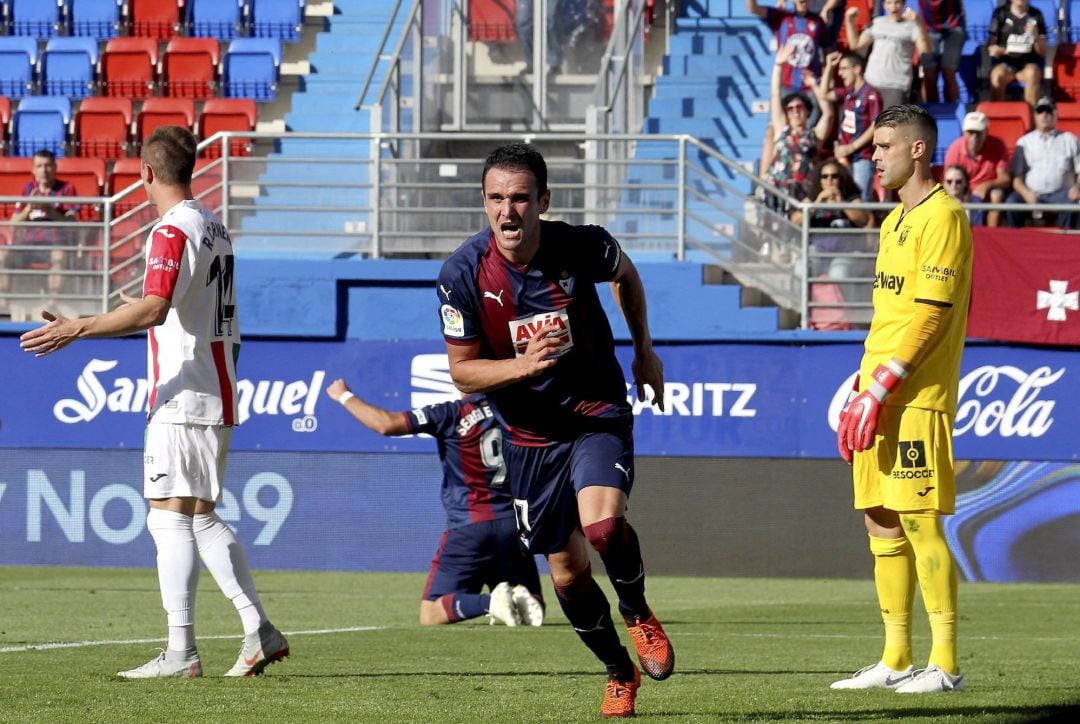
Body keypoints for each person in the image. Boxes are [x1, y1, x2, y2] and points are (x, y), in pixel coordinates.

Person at [19, 126, 288, 680]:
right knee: (200, 516)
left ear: (144, 174)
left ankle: (181, 651)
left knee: (167, 518)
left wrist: (79, 327)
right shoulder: (213, 225)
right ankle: (257, 629)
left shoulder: (169, 230)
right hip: (215, 386)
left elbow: (154, 311)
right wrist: (135, 310)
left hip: (183, 393)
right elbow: (177, 306)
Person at [436, 143, 673, 718]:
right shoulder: (462, 274)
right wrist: (524, 366)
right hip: (528, 437)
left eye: (519, 199)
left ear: (544, 200)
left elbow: (627, 275)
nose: (507, 212)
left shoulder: (579, 245)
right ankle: (619, 672)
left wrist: (644, 351)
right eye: (496, 199)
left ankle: (638, 612)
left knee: (603, 526)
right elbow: (463, 372)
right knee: (565, 572)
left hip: (594, 411)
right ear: (484, 202)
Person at [833, 104, 971, 694]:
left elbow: (930, 317)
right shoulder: (893, 222)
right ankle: (895, 658)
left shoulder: (946, 216)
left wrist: (884, 386)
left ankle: (946, 665)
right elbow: (888, 317)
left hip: (916, 396)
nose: (874, 155)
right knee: (881, 520)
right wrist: (862, 389)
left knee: (919, 518)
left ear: (917, 150)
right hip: (877, 392)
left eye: (884, 145)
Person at [324, 378, 545, 627]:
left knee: (431, 613)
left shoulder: (450, 414)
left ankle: (490, 603)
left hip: (470, 525)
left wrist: (344, 395)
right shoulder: (519, 411)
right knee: (533, 605)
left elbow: (386, 424)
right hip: (514, 526)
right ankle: (520, 596)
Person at [761, 44, 834, 213]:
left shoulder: (814, 135)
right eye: (791, 108)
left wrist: (813, 85)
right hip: (776, 189)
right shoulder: (781, 130)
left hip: (803, 192)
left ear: (807, 111)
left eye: (799, 107)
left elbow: (828, 113)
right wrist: (778, 66)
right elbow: (775, 95)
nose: (795, 111)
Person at [0, 150, 80, 299]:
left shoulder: (66, 189)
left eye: (48, 166)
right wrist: (29, 208)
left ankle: (53, 302)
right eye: (39, 166)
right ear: (33, 169)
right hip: (29, 244)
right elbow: (13, 223)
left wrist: (50, 211)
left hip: (56, 243)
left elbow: (72, 222)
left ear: (55, 167)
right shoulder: (28, 189)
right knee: (2, 256)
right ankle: (3, 302)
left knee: (59, 256)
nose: (44, 170)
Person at [748, 0, 831, 125]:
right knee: (774, 130)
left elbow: (826, 51)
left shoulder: (817, 21)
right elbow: (753, 8)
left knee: (809, 131)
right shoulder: (781, 17)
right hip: (786, 86)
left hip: (810, 88)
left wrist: (827, 78)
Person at [1007, 96, 1080, 229]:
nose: (1044, 115)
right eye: (1040, 111)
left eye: (1049, 111)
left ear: (1056, 115)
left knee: (1073, 205)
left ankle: (1068, 245)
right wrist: (1026, 193)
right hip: (1031, 192)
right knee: (1011, 202)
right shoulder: (1024, 142)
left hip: (1061, 193)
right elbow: (1017, 180)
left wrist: (1077, 187)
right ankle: (1014, 244)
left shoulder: (1071, 140)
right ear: (1034, 116)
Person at [845, 0, 932, 111]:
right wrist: (849, 21)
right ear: (884, 5)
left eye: (897, 3)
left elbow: (926, 50)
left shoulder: (912, 26)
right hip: (871, 83)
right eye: (889, 3)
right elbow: (856, 45)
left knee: (889, 125)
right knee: (866, 124)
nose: (893, 7)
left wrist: (919, 24)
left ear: (903, 4)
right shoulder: (877, 22)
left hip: (895, 85)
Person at [822, 50, 883, 200]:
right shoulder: (848, 92)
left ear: (857, 69)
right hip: (844, 157)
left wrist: (852, 147)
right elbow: (824, 93)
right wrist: (829, 66)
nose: (840, 74)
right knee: (844, 198)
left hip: (861, 156)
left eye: (844, 69)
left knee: (860, 201)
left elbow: (876, 125)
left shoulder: (871, 93)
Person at [942, 111, 1010, 227]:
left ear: (986, 132)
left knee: (996, 194)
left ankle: (990, 234)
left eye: (978, 132)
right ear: (964, 133)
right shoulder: (954, 150)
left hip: (989, 190)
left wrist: (986, 185)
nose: (974, 137)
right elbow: (948, 180)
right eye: (970, 132)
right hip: (962, 188)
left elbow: (1005, 179)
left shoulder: (998, 145)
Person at [988, 0, 1047, 107]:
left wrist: (1036, 36)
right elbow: (990, 46)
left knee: (1032, 73)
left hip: (1028, 63)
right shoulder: (1000, 13)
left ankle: (1030, 116)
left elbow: (1042, 52)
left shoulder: (1036, 15)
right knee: (996, 76)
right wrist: (997, 50)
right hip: (1006, 63)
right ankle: (997, 117)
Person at [917, 0, 966, 103]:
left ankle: (952, 109)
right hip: (927, 30)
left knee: (948, 71)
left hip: (953, 29)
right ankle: (930, 111)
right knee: (929, 73)